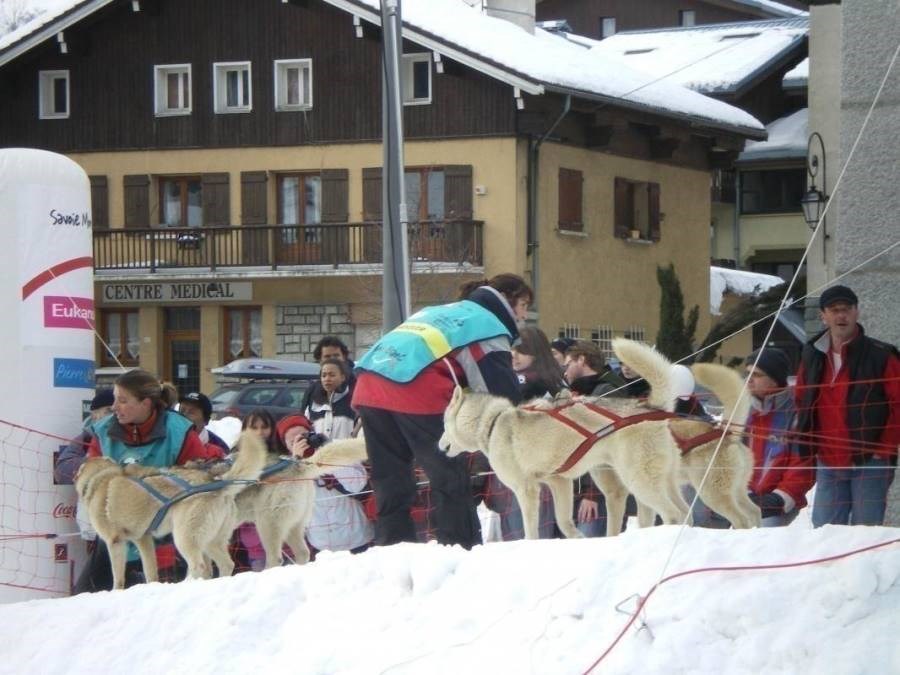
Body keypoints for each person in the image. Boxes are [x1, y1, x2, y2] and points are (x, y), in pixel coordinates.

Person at [353, 273, 531, 549]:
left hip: (370, 384)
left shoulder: (439, 311)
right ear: (510, 299)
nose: (524, 315)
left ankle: (393, 548)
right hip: (417, 390)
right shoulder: (487, 324)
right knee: (449, 474)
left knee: (389, 477)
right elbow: (499, 393)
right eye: (524, 305)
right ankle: (460, 548)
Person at [83, 370, 224, 588]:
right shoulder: (103, 431)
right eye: (114, 400)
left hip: (168, 532)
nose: (114, 407)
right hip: (117, 536)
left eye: (122, 400)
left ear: (145, 403)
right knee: (91, 597)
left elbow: (198, 481)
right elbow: (92, 473)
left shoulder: (178, 431)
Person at [795, 285, 900, 527]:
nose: (841, 316)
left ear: (856, 313)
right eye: (834, 310)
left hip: (871, 461)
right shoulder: (811, 354)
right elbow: (802, 399)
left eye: (847, 309)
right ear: (823, 315)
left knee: (864, 533)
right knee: (825, 533)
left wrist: (882, 448)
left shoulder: (881, 355)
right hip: (828, 460)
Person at [490, 327, 565, 540]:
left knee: (523, 534)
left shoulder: (530, 379)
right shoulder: (556, 378)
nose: (513, 355)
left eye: (521, 350)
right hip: (547, 467)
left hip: (526, 466)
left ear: (536, 351)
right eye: (512, 349)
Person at [303, 361, 373, 556]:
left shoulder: (353, 402)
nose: (327, 379)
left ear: (343, 376)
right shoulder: (312, 403)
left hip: (348, 464)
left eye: (332, 374)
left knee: (350, 511)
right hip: (320, 465)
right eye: (324, 375)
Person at [745, 348, 815, 526]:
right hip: (747, 500)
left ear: (775, 380)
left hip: (780, 505)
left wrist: (780, 499)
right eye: (747, 374)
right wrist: (742, 493)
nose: (749, 380)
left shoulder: (796, 413)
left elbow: (802, 465)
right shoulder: (745, 413)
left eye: (757, 374)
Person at [235, 409, 283, 572]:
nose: (260, 432)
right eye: (254, 427)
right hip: (253, 541)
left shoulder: (282, 456)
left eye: (264, 427)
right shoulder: (234, 459)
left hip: (285, 539)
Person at [54, 389, 114, 485]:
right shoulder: (86, 438)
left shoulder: (131, 434)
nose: (114, 416)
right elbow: (61, 472)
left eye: (117, 411)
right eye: (109, 411)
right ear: (95, 415)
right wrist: (96, 462)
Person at [300, 336, 356, 416]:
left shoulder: (357, 386)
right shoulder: (312, 391)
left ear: (344, 357)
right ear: (320, 361)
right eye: (327, 357)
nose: (332, 360)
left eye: (336, 356)